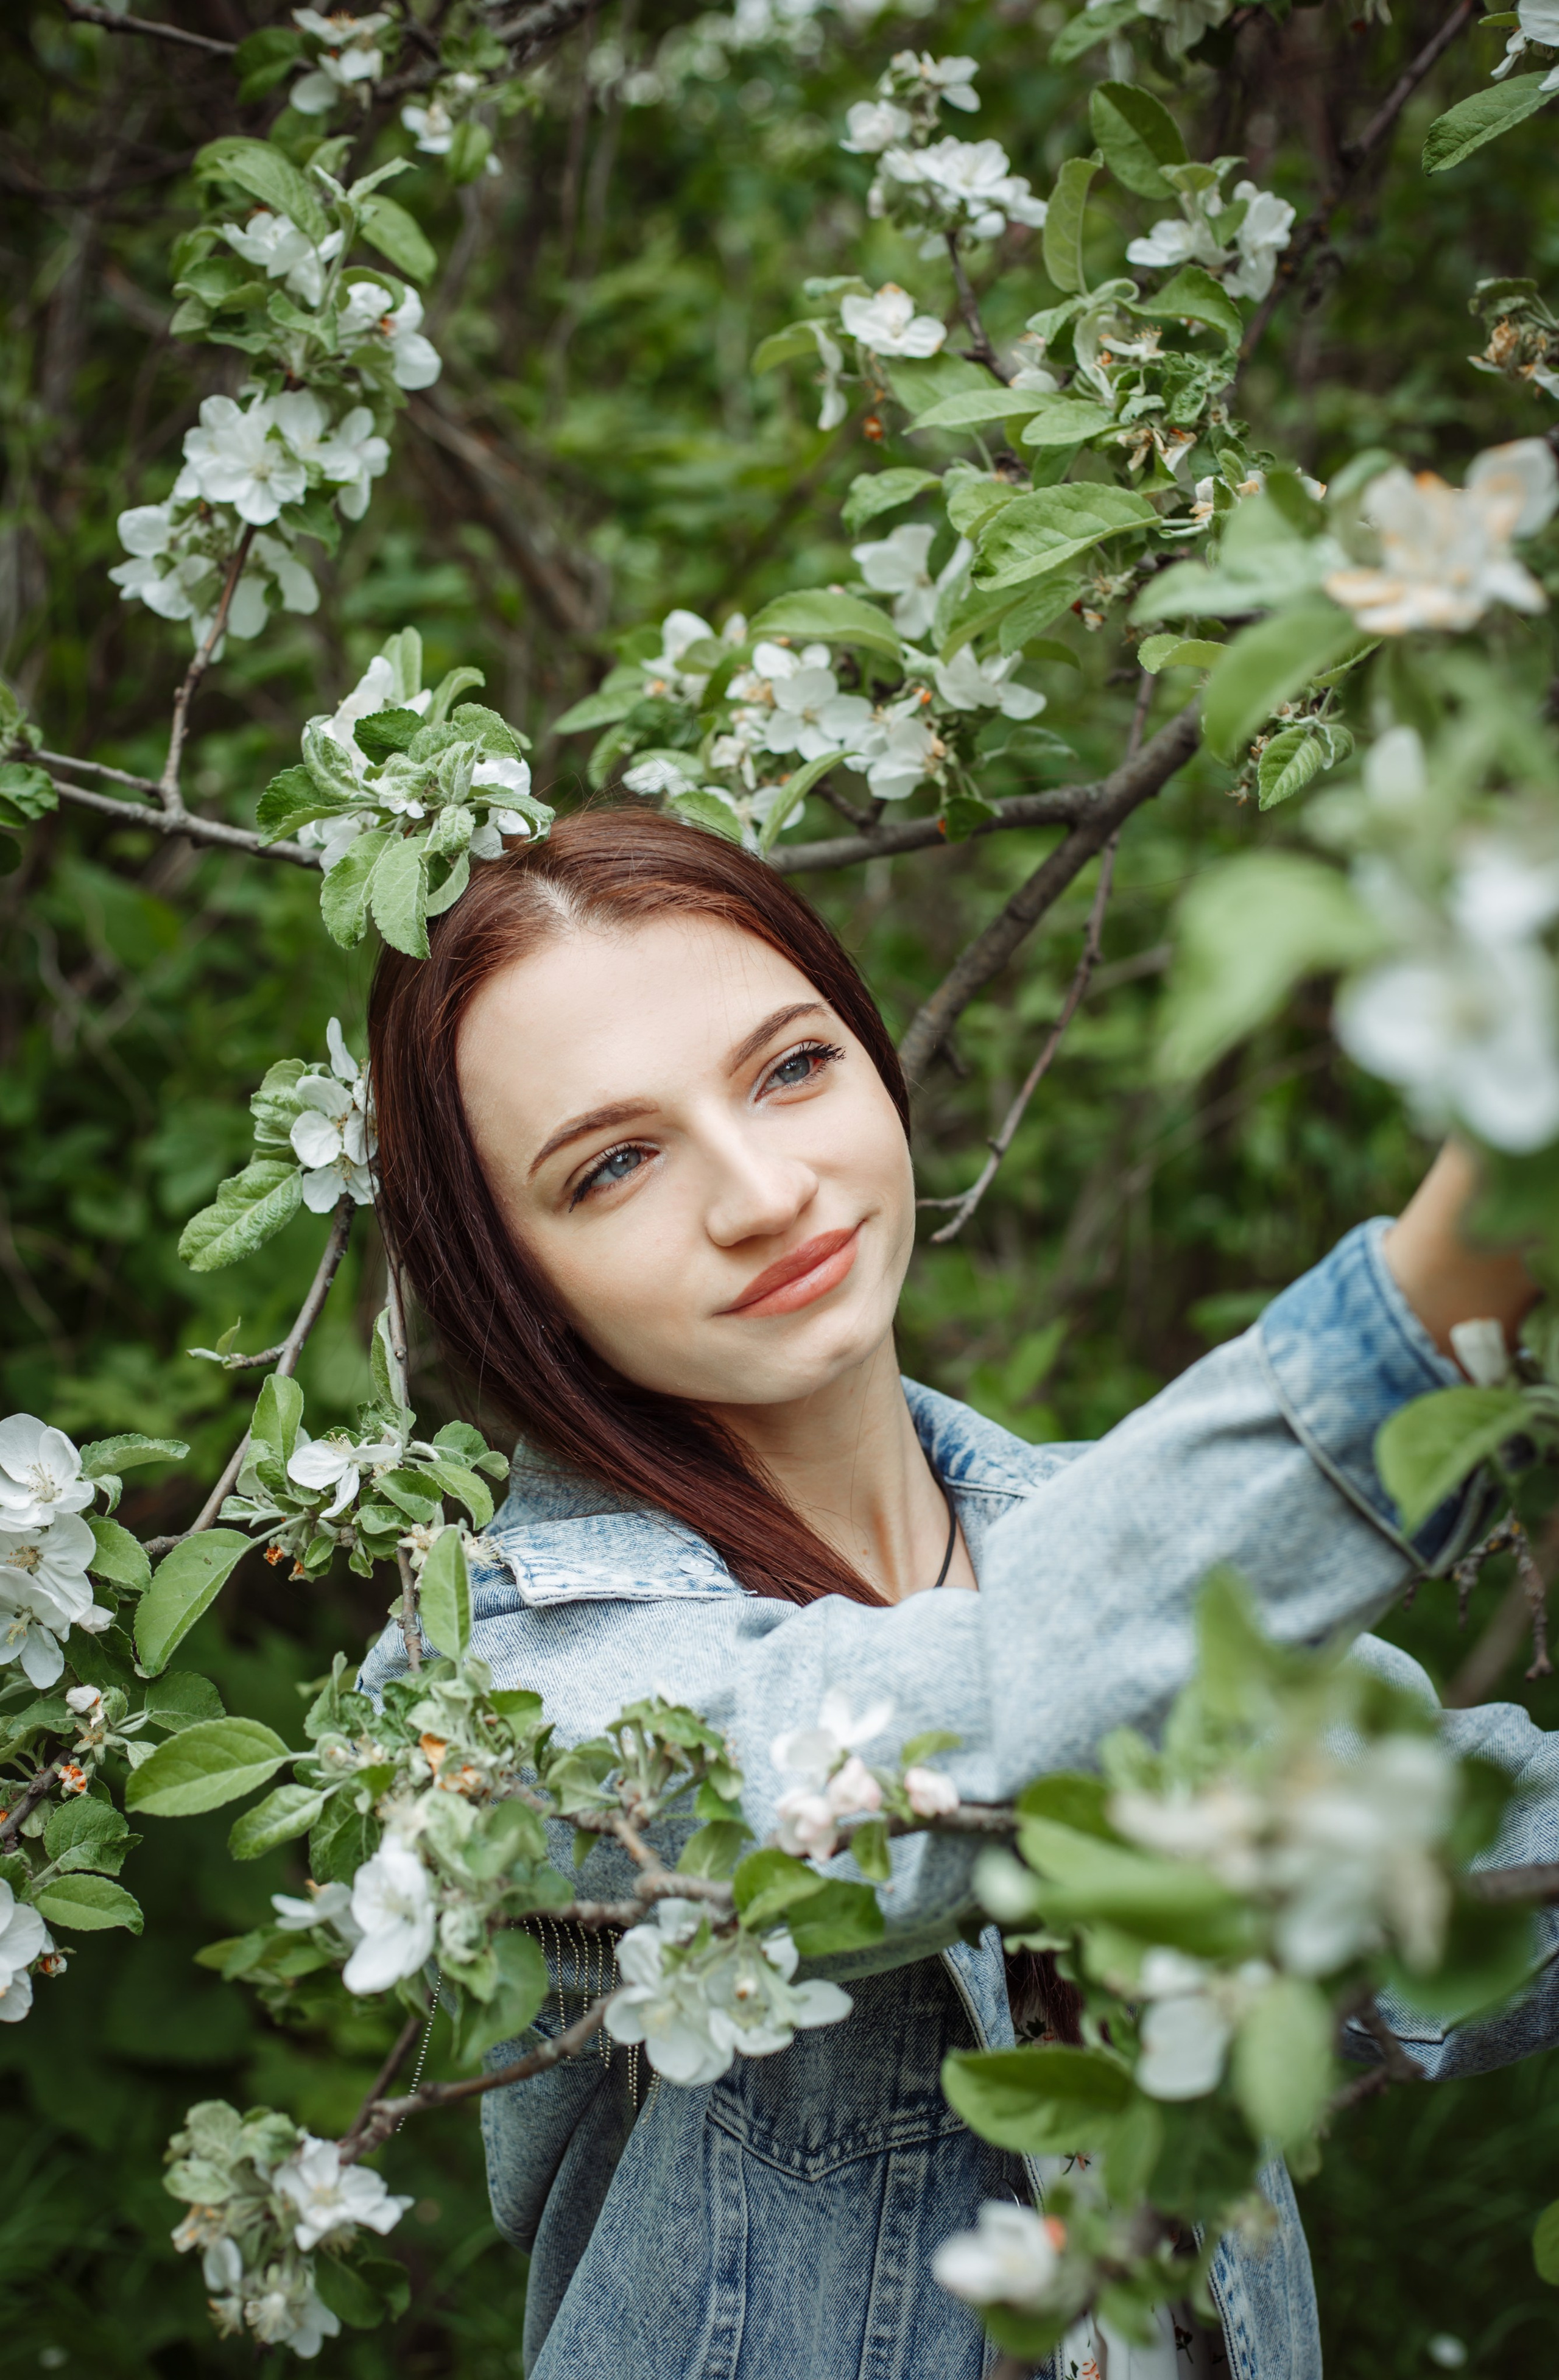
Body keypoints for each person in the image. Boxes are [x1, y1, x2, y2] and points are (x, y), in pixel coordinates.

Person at [362, 806, 1556, 2380]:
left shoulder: (1104, 1537)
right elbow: (936, 1744)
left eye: (792, 1067)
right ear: (508, 1271)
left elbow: (1462, 1860)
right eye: (615, 1162)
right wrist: (1452, 1277)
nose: (763, 1190)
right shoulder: (483, 1707)